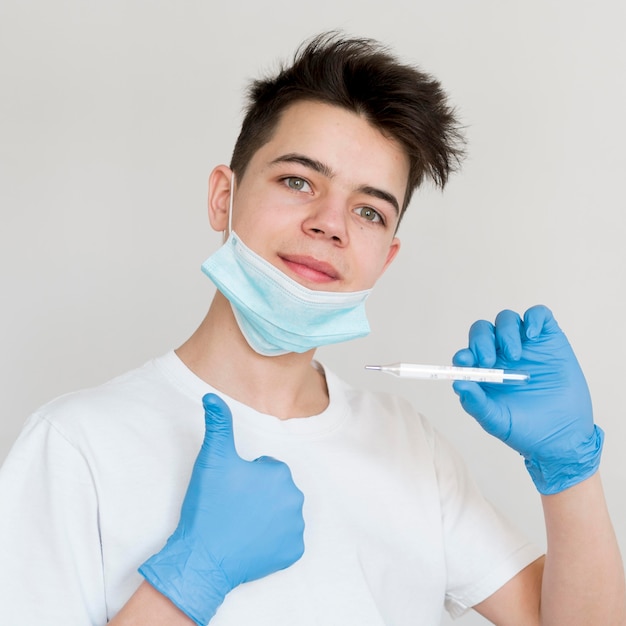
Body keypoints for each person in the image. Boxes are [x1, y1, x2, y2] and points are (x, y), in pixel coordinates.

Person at [0, 32, 624, 626]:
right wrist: (187, 583)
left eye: (369, 211)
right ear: (224, 195)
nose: (331, 224)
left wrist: (569, 470)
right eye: (298, 181)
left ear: (387, 256)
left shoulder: (409, 447)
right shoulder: (76, 445)